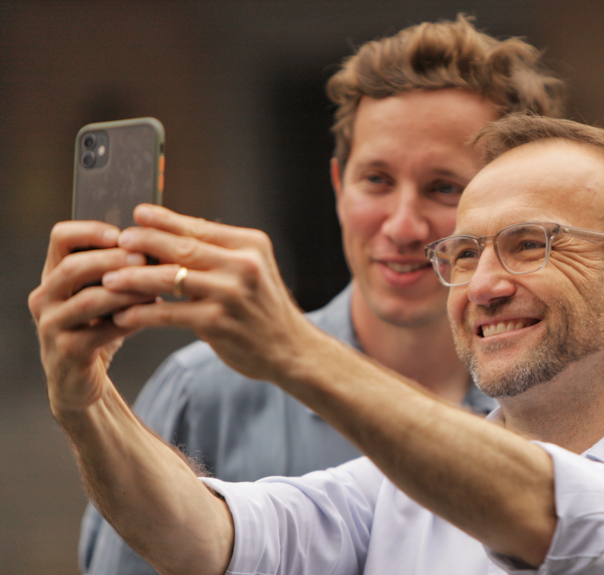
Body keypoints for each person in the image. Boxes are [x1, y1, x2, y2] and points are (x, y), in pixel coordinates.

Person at [31, 113, 604, 574]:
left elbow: (547, 513)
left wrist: (294, 346)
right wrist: (87, 399)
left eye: (530, 244)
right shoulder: (387, 492)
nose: (483, 286)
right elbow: (199, 535)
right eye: (463, 256)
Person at [74, 15, 566, 574]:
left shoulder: (548, 406)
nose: (402, 226)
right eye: (376, 180)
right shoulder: (202, 392)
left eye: (443, 187)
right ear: (338, 186)